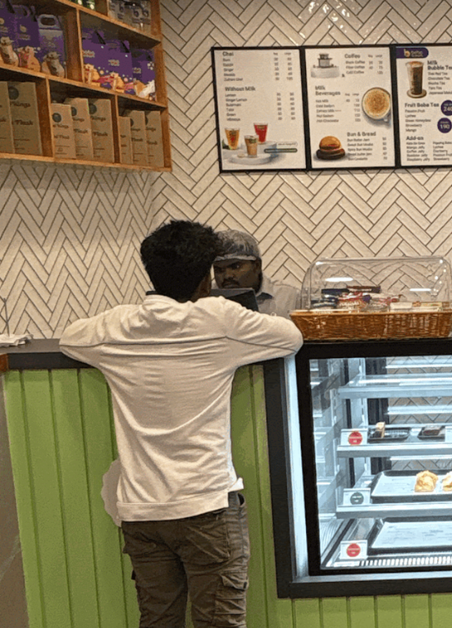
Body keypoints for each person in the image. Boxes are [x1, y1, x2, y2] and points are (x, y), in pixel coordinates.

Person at [60, 220, 304, 628]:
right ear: (206, 278)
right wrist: (216, 309)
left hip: (142, 511)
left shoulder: (118, 326)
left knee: (158, 621)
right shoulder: (218, 319)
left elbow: (69, 338)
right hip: (206, 504)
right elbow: (291, 337)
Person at [212, 229, 302, 316]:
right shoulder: (205, 299)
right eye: (219, 270)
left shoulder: (290, 297)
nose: (227, 275)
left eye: (235, 267)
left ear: (257, 266)